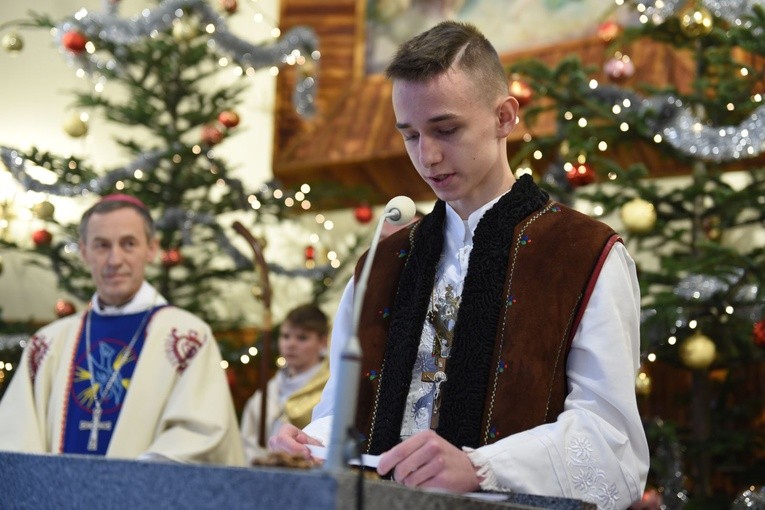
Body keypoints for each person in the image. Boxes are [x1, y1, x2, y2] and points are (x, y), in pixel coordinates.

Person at [270, 20, 649, 508]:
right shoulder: (380, 264)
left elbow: (612, 444)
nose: (427, 157)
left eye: (446, 129)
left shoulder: (583, 253)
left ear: (504, 116)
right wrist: (308, 445)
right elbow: (344, 415)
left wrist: (481, 468)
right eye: (409, 135)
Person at [0, 194, 244, 466]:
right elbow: (15, 436)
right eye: (102, 245)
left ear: (151, 249)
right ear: (84, 252)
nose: (114, 260)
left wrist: (128, 486)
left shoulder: (188, 338)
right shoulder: (48, 343)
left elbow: (201, 434)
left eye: (128, 244)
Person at [240, 303, 330, 465]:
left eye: (302, 337)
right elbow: (248, 440)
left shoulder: (329, 390)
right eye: (286, 336)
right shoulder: (270, 390)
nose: (291, 344)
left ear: (322, 342)